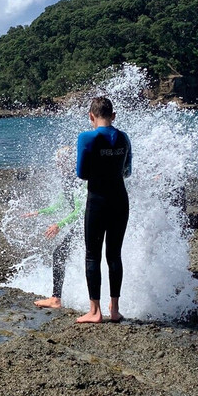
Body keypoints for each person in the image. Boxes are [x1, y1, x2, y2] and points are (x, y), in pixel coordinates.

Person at [75, 96, 132, 323]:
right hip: (120, 200)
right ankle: (115, 309)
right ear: (114, 116)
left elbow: (81, 173)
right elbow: (127, 171)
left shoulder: (87, 137)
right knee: (114, 255)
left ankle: (95, 312)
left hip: (97, 201)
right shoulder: (124, 138)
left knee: (92, 255)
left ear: (91, 116)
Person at [29, 148, 85, 310]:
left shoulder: (79, 178)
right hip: (85, 224)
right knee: (65, 255)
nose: (58, 164)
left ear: (69, 161)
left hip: (89, 223)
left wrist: (59, 225)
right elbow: (60, 204)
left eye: (61, 161)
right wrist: (39, 212)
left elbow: (80, 210)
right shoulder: (68, 179)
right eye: (57, 161)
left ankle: (56, 299)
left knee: (60, 254)